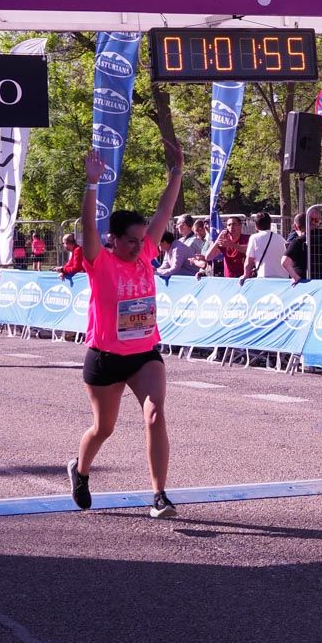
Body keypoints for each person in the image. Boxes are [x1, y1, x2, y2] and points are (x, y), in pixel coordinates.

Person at [68, 136, 183, 521]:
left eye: (141, 240)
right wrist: (92, 183)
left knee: (155, 414)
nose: (138, 247)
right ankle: (80, 469)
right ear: (113, 239)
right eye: (130, 241)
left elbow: (164, 211)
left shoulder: (147, 254)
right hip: (105, 359)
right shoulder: (99, 262)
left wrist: (176, 172)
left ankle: (159, 495)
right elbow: (88, 225)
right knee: (104, 428)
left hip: (144, 355)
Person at [283, 211, 322, 282]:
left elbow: (284, 262)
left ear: (295, 227)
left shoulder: (298, 241)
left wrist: (296, 278)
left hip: (306, 282)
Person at [241, 212, 288, 283]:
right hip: (283, 279)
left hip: (265, 278)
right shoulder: (281, 238)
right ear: (270, 224)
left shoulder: (254, 238)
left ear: (256, 226)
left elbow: (249, 261)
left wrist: (245, 275)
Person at [157, 214, 201, 279]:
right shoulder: (178, 241)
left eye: (178, 224)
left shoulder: (195, 241)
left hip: (193, 278)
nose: (176, 227)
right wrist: (156, 271)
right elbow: (166, 265)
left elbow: (176, 268)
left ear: (184, 225)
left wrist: (158, 272)